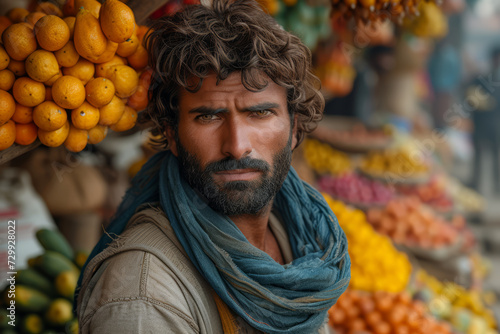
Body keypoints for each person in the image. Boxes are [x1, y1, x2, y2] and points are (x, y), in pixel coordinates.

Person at [75, 0, 350, 333]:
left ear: (294, 129)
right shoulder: (144, 296)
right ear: (172, 134)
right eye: (208, 116)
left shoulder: (297, 227)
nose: (236, 145)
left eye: (259, 113)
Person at [466, 47, 500, 194]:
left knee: (495, 156)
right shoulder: (480, 78)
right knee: (479, 155)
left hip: (495, 123)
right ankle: (475, 184)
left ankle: (497, 186)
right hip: (481, 122)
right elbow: (470, 97)